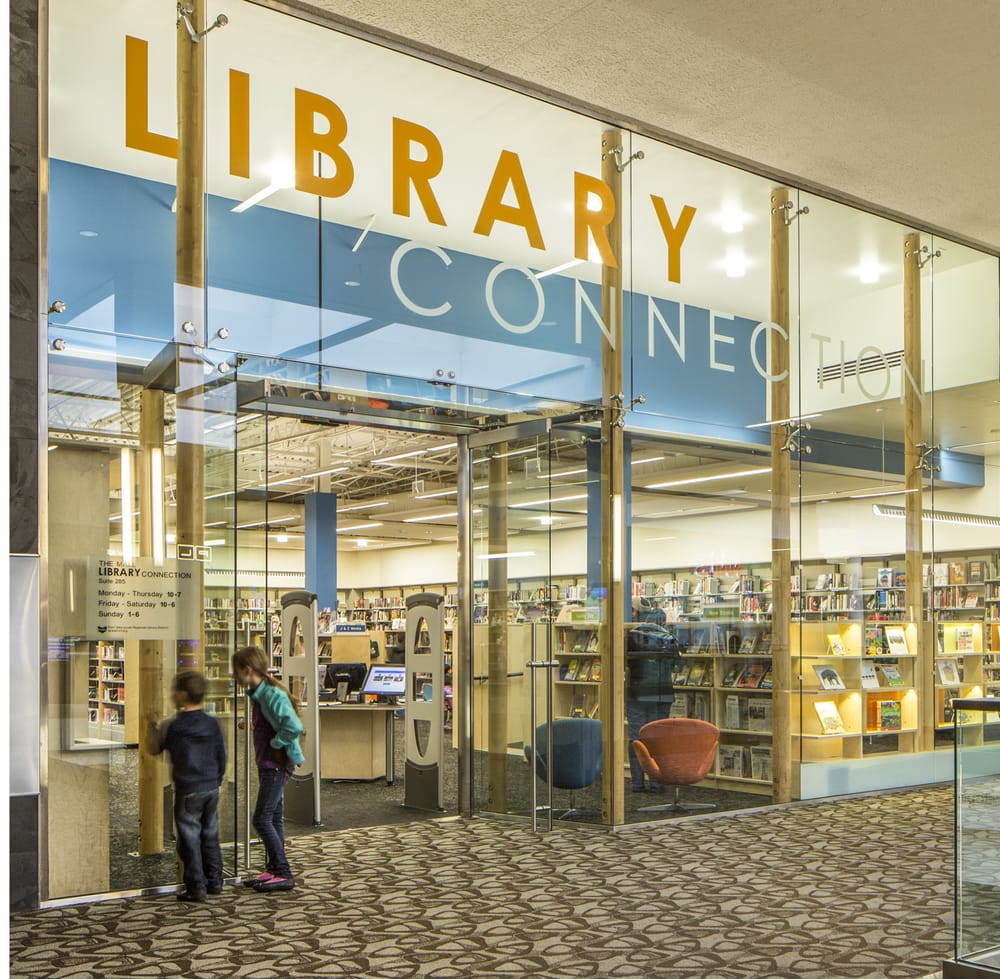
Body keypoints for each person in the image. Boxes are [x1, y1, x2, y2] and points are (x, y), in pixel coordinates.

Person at [147, 671, 226, 902]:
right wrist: (218, 780)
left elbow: (155, 748)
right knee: (210, 833)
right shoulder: (212, 723)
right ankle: (215, 880)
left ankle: (196, 886)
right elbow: (221, 754)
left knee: (190, 838)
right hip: (211, 786)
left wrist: (152, 725)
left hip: (188, 787)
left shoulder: (175, 726)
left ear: (181, 695)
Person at [232, 645, 304, 892]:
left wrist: (275, 742)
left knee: (261, 818)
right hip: (269, 762)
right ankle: (274, 868)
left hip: (276, 763)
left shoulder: (271, 694)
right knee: (273, 817)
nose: (235, 677)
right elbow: (272, 721)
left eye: (236, 672)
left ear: (247, 670)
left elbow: (293, 726)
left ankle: (283, 871)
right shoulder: (260, 694)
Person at [625, 624, 680, 791]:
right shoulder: (668, 638)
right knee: (657, 738)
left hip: (638, 692)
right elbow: (679, 666)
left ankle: (637, 782)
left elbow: (627, 664)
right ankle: (657, 781)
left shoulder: (633, 636)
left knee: (637, 738)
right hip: (662, 693)